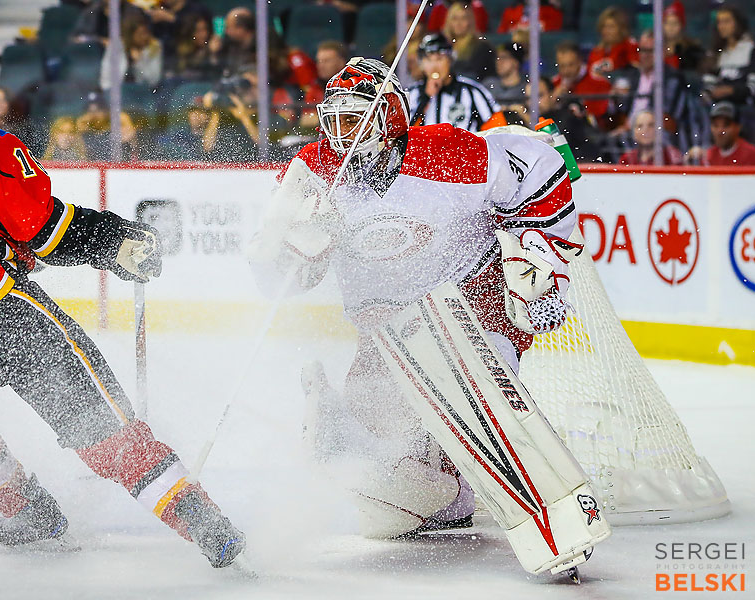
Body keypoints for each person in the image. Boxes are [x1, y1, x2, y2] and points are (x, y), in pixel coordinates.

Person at [0, 47, 246, 567]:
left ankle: (30, 511)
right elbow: (45, 230)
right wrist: (111, 239)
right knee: (102, 431)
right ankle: (203, 523)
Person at [248, 57, 600, 573]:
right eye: (333, 121)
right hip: (387, 333)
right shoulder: (312, 173)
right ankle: (427, 480)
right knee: (380, 472)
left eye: (354, 120)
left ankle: (547, 506)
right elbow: (272, 273)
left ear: (389, 117)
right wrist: (296, 250)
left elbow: (542, 170)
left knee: (474, 407)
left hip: (472, 306)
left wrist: (540, 263)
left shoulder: (447, 153)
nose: (340, 136)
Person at [408, 32, 499, 132]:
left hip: (463, 147)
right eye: (429, 60)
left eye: (439, 59)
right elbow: (404, 135)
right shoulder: (411, 94)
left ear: (450, 60)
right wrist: (425, 99)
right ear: (421, 64)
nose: (434, 66)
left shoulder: (472, 91)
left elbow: (495, 130)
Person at [526, 75, 604, 163]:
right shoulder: (525, 118)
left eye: (539, 95)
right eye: (529, 98)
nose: (534, 103)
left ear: (552, 94)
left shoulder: (568, 114)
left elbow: (553, 142)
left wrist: (527, 119)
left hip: (584, 166)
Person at [701, 4, 755, 107]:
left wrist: (731, 90)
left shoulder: (751, 50)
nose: (721, 26)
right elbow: (707, 85)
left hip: (746, 110)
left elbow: (753, 87)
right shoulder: (715, 53)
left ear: (738, 23)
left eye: (727, 21)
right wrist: (710, 94)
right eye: (719, 22)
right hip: (719, 110)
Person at [552, 40, 611, 127]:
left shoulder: (598, 82)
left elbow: (601, 119)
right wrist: (553, 100)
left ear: (580, 61)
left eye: (570, 65)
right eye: (562, 66)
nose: (566, 71)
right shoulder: (554, 83)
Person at [99, 14, 164, 91]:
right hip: (117, 92)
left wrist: (139, 63)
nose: (145, 37)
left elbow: (154, 80)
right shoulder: (116, 46)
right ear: (130, 34)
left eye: (146, 32)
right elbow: (106, 74)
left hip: (144, 93)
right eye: (140, 34)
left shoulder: (154, 47)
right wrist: (109, 93)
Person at [442, 2, 496, 81]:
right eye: (454, 19)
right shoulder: (443, 45)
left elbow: (476, 74)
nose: (458, 23)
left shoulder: (481, 47)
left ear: (470, 22)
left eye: (463, 18)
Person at [587, 6, 638, 79]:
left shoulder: (629, 46)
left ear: (621, 29)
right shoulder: (595, 51)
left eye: (611, 27)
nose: (606, 31)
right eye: (604, 27)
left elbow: (636, 72)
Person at [618, 109, 684, 166]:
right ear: (633, 132)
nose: (645, 130)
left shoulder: (671, 156)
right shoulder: (627, 159)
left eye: (651, 125)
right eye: (640, 126)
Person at [700, 101, 755, 166]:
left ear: (738, 127)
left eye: (726, 125)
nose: (720, 131)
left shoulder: (751, 155)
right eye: (715, 125)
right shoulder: (708, 156)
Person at [663, 1, 704, 73]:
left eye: (675, 23)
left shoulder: (691, 50)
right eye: (667, 23)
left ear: (682, 25)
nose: (670, 27)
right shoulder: (656, 49)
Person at [482, 42, 527, 106]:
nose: (499, 62)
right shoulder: (488, 85)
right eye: (497, 58)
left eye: (504, 57)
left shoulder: (527, 87)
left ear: (516, 62)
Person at [497, 0, 562, 33]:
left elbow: (554, 31)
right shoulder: (510, 11)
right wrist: (515, 28)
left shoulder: (552, 11)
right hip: (516, 46)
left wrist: (535, 27)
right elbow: (502, 32)